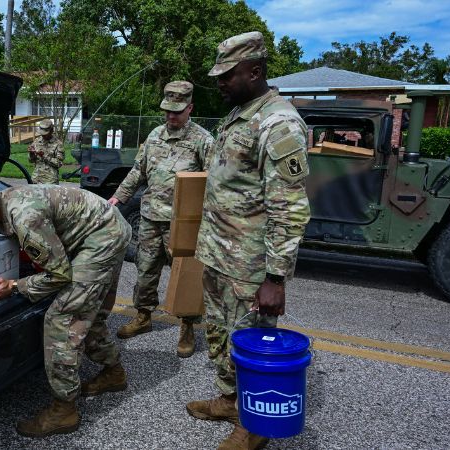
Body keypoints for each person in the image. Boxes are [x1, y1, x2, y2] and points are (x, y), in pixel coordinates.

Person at [185, 32, 311, 450]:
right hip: (220, 254)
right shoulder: (239, 114)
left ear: (255, 71)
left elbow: (289, 209)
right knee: (220, 333)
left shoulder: (278, 123)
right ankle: (229, 399)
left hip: (251, 266)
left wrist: (275, 277)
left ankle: (255, 423)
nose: (219, 83)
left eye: (227, 75)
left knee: (251, 341)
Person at [0, 172, 131, 438]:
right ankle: (114, 372)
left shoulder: (25, 217)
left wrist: (15, 287)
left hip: (103, 239)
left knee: (62, 319)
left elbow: (59, 274)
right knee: (91, 314)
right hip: (105, 227)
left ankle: (64, 409)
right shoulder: (6, 202)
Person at [109, 80, 213, 357]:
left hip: (184, 223)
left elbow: (213, 182)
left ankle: (187, 326)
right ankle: (143, 317)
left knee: (186, 276)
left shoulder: (203, 140)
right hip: (151, 218)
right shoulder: (154, 135)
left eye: (177, 111)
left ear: (190, 108)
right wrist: (117, 198)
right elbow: (137, 172)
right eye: (167, 110)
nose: (171, 116)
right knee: (145, 270)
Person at [28, 119, 64, 184]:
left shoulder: (58, 144)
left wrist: (44, 156)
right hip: (36, 179)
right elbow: (31, 161)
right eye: (42, 133)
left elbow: (59, 163)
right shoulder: (37, 141)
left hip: (50, 181)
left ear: (51, 131)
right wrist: (31, 154)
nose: (43, 135)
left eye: (45, 134)